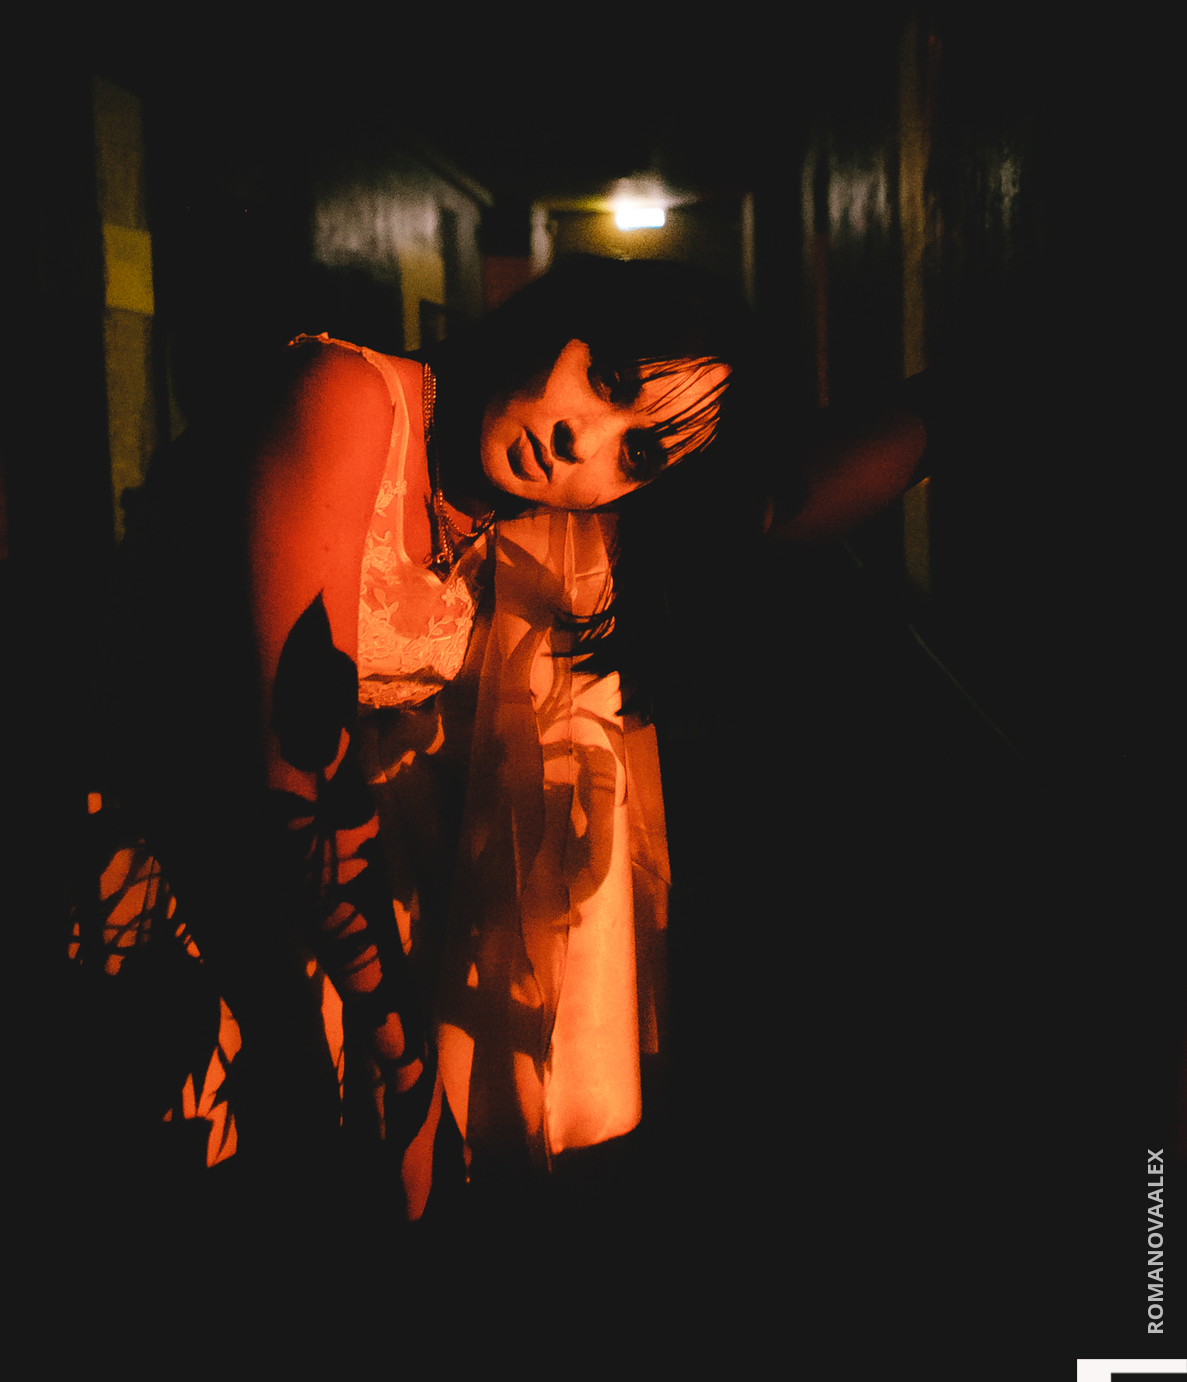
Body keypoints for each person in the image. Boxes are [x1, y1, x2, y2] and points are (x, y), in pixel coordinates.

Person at [68, 252, 934, 1225]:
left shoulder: (516, 519)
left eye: (637, 454)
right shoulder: (345, 398)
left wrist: (947, 408)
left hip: (308, 929)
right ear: (561, 317)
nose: (579, 441)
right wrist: (410, 1089)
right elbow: (297, 783)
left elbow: (771, 507)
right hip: (159, 890)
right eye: (606, 379)